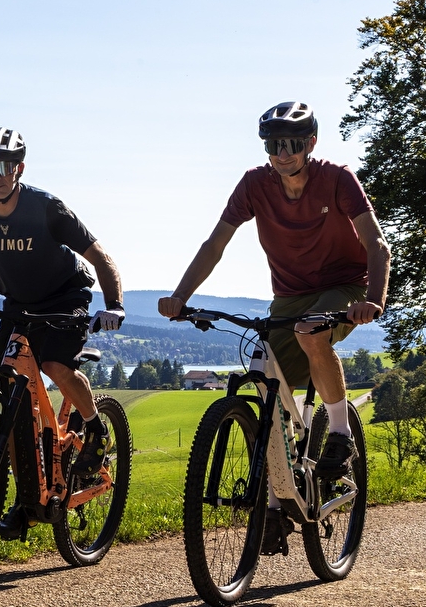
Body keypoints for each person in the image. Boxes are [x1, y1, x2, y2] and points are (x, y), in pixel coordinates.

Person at [157, 101, 390, 553]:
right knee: (265, 378)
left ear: (310, 144)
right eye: (273, 144)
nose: (282, 153)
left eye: (292, 143)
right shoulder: (254, 184)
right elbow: (215, 243)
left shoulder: (337, 179)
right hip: (289, 293)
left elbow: (375, 243)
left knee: (309, 331)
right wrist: (181, 296)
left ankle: (339, 432)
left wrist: (373, 300)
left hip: (344, 285)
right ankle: (278, 500)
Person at [0, 127, 125, 540]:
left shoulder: (46, 207)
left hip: (64, 296)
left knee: (56, 364)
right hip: (18, 305)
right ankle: (27, 501)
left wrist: (114, 305)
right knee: (13, 398)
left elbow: (100, 256)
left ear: (18, 168)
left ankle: (94, 426)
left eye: (4, 166)